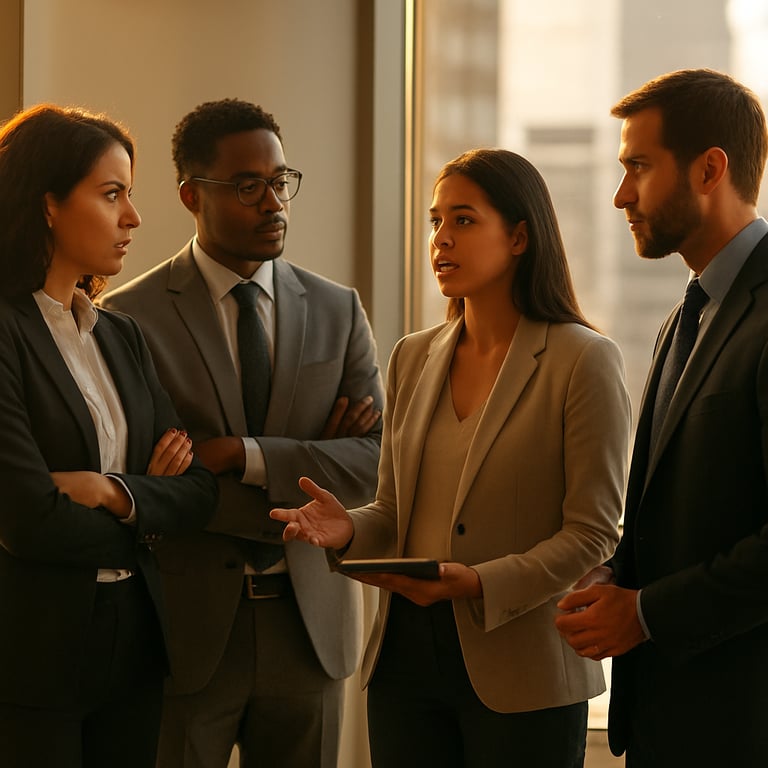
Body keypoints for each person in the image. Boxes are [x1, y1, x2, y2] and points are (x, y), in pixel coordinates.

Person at [271, 148, 631, 767]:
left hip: (523, 671)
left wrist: (479, 583)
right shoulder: (413, 355)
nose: (442, 240)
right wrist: (350, 527)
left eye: (463, 221)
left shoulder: (583, 359)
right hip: (405, 665)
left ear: (519, 236)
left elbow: (593, 532)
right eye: (436, 222)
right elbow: (394, 509)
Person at [100, 98, 384, 768]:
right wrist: (313, 458)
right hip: (187, 627)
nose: (274, 203)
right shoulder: (128, 317)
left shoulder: (338, 309)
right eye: (248, 186)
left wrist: (239, 455)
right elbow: (145, 479)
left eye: (281, 182)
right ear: (191, 196)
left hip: (309, 621)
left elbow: (373, 465)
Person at [555, 68, 768, 767]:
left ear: (711, 169)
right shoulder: (682, 318)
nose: (621, 196)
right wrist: (618, 575)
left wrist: (646, 614)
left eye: (638, 167)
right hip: (667, 723)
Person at [0, 104, 218, 768]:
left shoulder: (120, 334)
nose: (135, 217)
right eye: (112, 193)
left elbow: (200, 491)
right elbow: (27, 517)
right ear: (46, 204)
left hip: (134, 644)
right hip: (30, 655)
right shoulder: (5, 331)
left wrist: (109, 492)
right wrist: (148, 505)